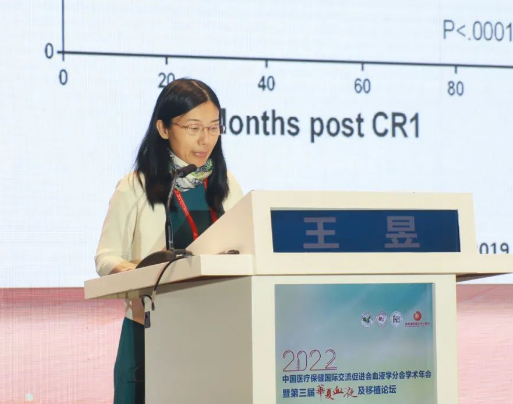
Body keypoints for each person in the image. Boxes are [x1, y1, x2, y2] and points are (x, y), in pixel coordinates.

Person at [94, 78, 243, 404]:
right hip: (149, 331)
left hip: (217, 332)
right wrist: (144, 273)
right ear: (163, 128)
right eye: (193, 128)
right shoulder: (135, 186)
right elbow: (106, 257)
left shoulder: (227, 185)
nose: (205, 139)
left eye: (214, 127)